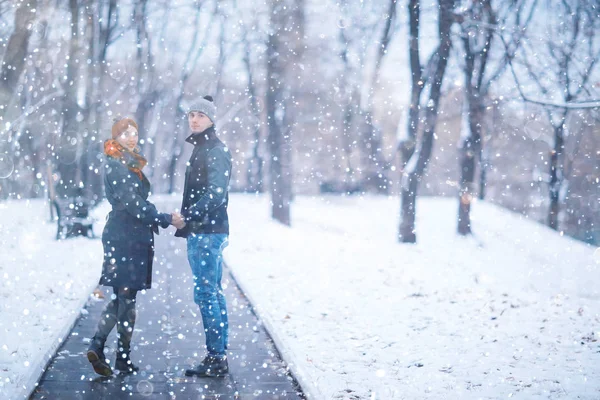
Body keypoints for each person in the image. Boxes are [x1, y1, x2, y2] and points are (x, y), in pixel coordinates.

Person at [86, 117, 177, 376]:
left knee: (125, 299)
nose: (131, 137)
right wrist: (164, 217)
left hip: (129, 235)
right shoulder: (117, 164)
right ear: (116, 137)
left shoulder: (128, 162)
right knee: (125, 299)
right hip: (123, 236)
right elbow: (133, 203)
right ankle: (110, 351)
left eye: (134, 132)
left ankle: (114, 353)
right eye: (125, 133)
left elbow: (134, 201)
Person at [171, 95, 233, 377]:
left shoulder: (214, 150)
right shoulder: (203, 148)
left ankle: (216, 358)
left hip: (207, 231)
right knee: (212, 292)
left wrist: (190, 216)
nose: (194, 119)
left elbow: (216, 193)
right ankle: (218, 354)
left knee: (206, 294)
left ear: (211, 120)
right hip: (205, 229)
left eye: (201, 115)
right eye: (191, 115)